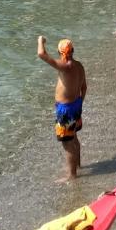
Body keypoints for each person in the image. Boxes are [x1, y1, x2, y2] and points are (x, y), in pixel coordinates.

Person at [36, 36, 87, 180]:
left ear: (60, 53)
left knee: (67, 143)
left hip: (66, 110)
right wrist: (79, 103)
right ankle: (77, 165)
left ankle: (72, 175)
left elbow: (41, 54)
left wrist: (41, 41)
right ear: (73, 51)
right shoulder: (79, 66)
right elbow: (84, 87)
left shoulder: (65, 66)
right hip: (76, 104)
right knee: (74, 137)